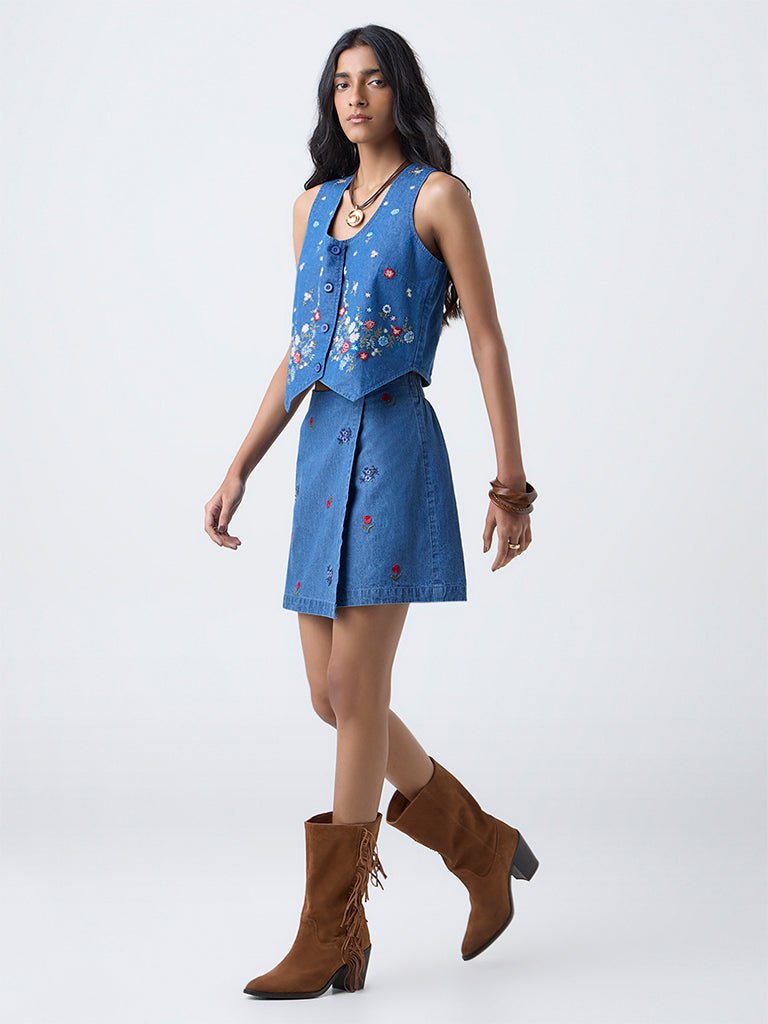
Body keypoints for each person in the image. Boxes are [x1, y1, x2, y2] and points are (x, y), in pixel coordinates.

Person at [204, 24, 539, 1000]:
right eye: (341, 82)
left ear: (401, 93)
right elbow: (301, 351)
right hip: (320, 458)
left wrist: (511, 483)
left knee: (355, 690)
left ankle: (332, 932)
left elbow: (486, 337)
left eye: (374, 80)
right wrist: (240, 465)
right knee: (332, 696)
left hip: (394, 452)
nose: (355, 96)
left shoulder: (439, 198)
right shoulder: (310, 207)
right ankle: (479, 845)